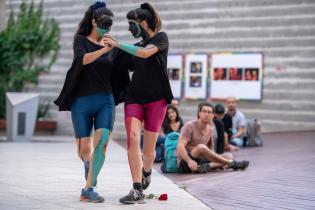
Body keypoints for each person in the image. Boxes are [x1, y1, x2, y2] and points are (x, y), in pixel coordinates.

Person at [54, 1, 127, 203]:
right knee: (84, 150)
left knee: (102, 143)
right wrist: (104, 50)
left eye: (109, 26)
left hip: (105, 100)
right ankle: (90, 166)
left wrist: (121, 46)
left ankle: (88, 189)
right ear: (94, 22)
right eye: (103, 25)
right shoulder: (80, 40)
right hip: (81, 102)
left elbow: (129, 62)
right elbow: (82, 60)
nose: (106, 29)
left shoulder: (112, 44)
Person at [103, 2, 173, 204]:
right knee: (133, 138)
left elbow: (144, 53)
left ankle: (147, 171)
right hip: (134, 99)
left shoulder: (161, 39)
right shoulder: (133, 48)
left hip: (156, 100)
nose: (129, 29)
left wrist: (118, 44)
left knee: (149, 152)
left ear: (143, 22)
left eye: (131, 24)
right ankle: (136, 189)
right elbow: (111, 61)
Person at [176, 102, 249, 173]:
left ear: (213, 115)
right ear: (199, 113)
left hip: (201, 160)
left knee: (229, 155)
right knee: (201, 147)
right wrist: (189, 161)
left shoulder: (210, 129)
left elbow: (211, 149)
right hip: (186, 161)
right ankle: (231, 163)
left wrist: (218, 161)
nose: (206, 114)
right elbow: (180, 146)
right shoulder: (189, 126)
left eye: (209, 112)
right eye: (204, 111)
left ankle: (208, 166)